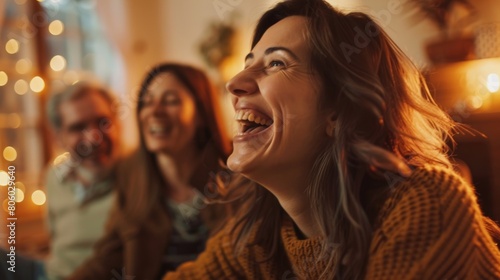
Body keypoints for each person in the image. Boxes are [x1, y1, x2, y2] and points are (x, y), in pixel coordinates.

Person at [164, 0, 500, 279]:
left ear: (338, 111)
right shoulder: (259, 237)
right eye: (247, 64)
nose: (235, 83)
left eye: (277, 63)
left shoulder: (425, 203)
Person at [68, 63, 231, 280]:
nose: (154, 112)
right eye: (146, 103)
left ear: (201, 113)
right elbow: (108, 258)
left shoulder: (237, 174)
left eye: (171, 101)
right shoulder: (132, 176)